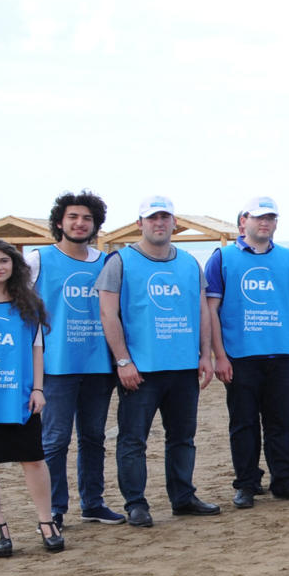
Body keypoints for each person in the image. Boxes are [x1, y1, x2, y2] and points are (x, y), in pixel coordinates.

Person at [97, 195, 220, 523]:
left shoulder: (189, 263)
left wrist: (205, 355)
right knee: (133, 439)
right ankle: (136, 503)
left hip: (183, 368)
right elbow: (108, 314)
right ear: (140, 224)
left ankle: (183, 496)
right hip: (142, 369)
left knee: (183, 437)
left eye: (165, 217)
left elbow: (200, 312)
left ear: (174, 223)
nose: (159, 223)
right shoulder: (120, 261)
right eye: (152, 218)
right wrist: (123, 361)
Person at [204, 197, 289, 507]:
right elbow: (211, 309)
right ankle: (247, 483)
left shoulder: (286, 258)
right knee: (243, 423)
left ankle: (283, 478)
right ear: (244, 222)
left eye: (270, 218)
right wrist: (219, 356)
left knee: (281, 420)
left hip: (281, 353)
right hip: (240, 356)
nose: (264, 223)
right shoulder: (223, 257)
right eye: (258, 218)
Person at [0, 240, 64, 556]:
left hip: (18, 396)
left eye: (4, 261)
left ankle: (46, 521)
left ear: (14, 266)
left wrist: (38, 389)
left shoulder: (28, 304)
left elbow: (36, 349)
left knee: (33, 458)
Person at [24, 189, 120, 527]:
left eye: (87, 218)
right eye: (73, 217)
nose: (80, 223)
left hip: (98, 366)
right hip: (56, 367)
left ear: (96, 225)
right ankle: (53, 508)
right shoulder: (37, 260)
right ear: (60, 222)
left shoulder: (108, 262)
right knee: (55, 440)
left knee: (93, 437)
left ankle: (93, 503)